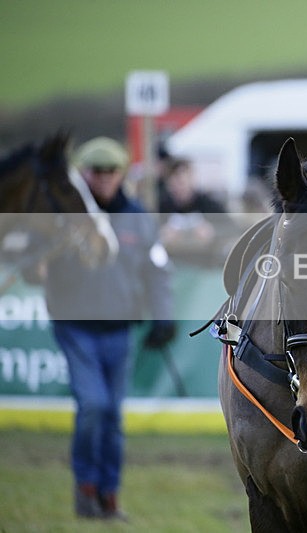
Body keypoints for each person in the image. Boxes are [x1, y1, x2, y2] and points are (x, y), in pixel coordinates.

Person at [38, 137, 176, 520]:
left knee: (113, 415)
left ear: (120, 174)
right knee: (93, 406)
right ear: (82, 174)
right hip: (75, 326)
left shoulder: (137, 218)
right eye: (95, 171)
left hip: (119, 329)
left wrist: (164, 317)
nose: (102, 178)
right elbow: (35, 261)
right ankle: (85, 488)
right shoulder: (65, 216)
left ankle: (108, 495)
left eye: (109, 171)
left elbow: (158, 271)